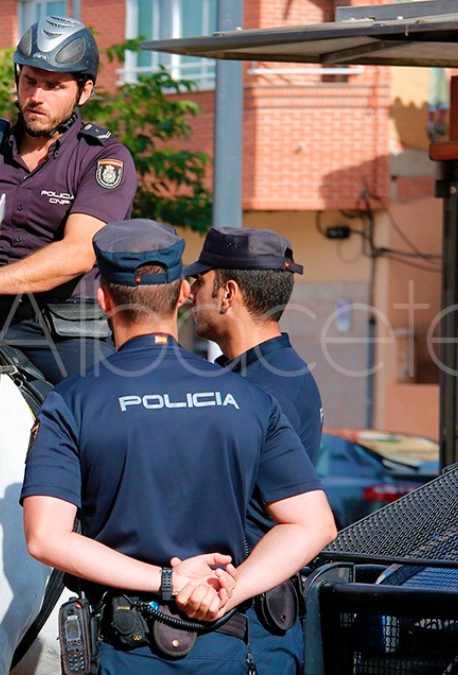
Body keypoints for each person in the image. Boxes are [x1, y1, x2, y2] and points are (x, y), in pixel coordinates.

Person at [21, 219, 337, 673]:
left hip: (131, 651)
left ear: (104, 299)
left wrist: (169, 581)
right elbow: (314, 524)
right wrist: (227, 588)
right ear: (182, 294)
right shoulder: (250, 397)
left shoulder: (71, 401)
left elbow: (45, 537)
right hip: (233, 644)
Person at [0, 15, 137, 384]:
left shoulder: (103, 157)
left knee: (101, 406)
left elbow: (79, 252)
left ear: (84, 91)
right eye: (30, 81)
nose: (36, 97)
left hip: (66, 331)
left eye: (53, 86)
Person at [185, 227, 324, 673]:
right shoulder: (262, 374)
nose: (189, 293)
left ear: (228, 293)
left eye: (199, 281)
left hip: (240, 626)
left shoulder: (265, 388)